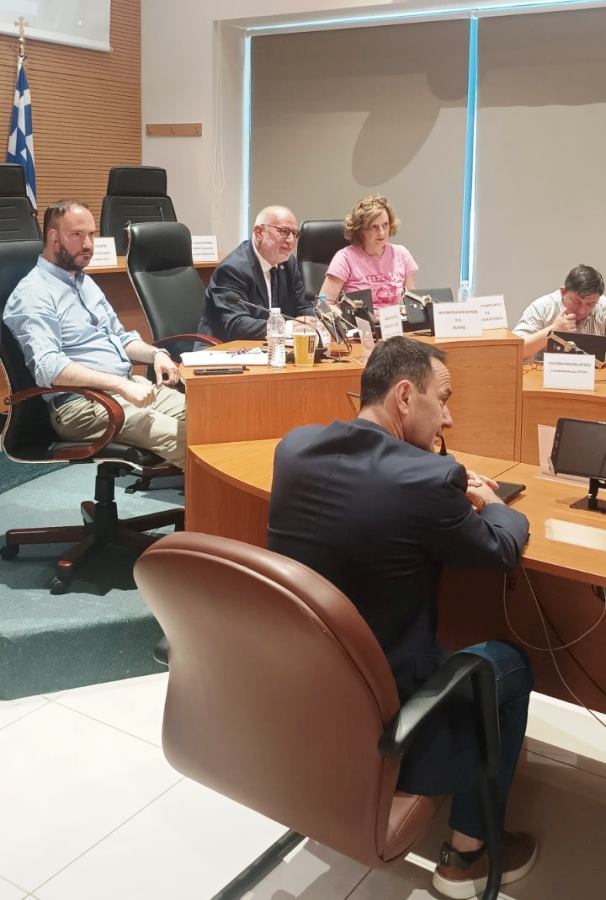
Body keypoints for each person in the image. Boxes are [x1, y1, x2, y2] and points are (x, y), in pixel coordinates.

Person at [268, 336, 537, 899]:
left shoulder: (294, 449)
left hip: (302, 691)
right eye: (444, 400)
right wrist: (492, 502)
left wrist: (443, 481)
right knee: (510, 662)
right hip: (386, 700)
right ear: (406, 396)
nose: (449, 418)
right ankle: (467, 855)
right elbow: (499, 550)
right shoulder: (428, 481)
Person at [3, 199, 186, 469]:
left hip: (126, 388)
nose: (88, 244)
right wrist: (120, 385)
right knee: (189, 439)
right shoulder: (33, 293)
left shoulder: (84, 282)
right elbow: (49, 368)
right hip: (82, 406)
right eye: (77, 235)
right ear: (54, 237)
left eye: (91, 234)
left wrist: (157, 354)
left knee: (213, 420)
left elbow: (120, 337)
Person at [200, 205, 314, 340]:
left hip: (271, 347)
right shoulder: (233, 269)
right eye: (284, 231)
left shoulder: (289, 264)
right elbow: (237, 325)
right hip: (224, 347)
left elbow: (304, 307)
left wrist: (314, 322)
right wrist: (288, 328)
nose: (291, 240)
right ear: (259, 233)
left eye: (295, 234)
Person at [319, 195, 418, 308]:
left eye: (385, 225)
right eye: (374, 227)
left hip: (395, 318)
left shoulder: (401, 254)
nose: (382, 233)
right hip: (360, 319)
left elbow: (413, 304)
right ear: (361, 230)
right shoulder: (345, 258)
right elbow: (324, 304)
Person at [513, 264, 606, 359]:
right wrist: (553, 330)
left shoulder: (604, 308)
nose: (581, 311)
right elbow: (513, 350)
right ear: (563, 292)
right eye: (576, 301)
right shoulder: (542, 308)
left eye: (590, 304)